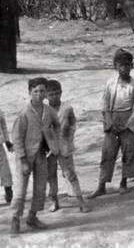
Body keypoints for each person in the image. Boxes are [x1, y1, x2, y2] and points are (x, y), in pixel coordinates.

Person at [90, 48, 134, 197]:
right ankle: (101, 185)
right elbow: (105, 104)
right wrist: (109, 122)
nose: (124, 68)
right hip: (112, 120)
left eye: (127, 65)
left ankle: (124, 182)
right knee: (107, 152)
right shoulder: (110, 84)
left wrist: (128, 125)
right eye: (120, 65)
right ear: (115, 66)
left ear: (131, 66)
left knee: (129, 153)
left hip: (129, 121)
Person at [10, 77, 60, 233]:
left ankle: (32, 216)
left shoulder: (49, 111)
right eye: (35, 91)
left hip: (41, 155)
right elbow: (17, 138)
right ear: (30, 93)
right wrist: (23, 160)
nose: (39, 94)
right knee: (20, 190)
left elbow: (57, 126)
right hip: (25, 156)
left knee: (40, 188)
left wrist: (51, 143)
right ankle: (15, 219)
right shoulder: (24, 113)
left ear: (46, 93)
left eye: (42, 91)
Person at [44, 79, 89, 213]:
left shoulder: (67, 108)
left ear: (61, 93)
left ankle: (81, 201)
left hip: (64, 146)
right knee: (51, 175)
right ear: (46, 95)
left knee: (70, 174)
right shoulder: (43, 110)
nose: (54, 97)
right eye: (51, 94)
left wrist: (69, 138)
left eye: (57, 93)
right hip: (49, 148)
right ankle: (54, 200)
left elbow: (73, 125)